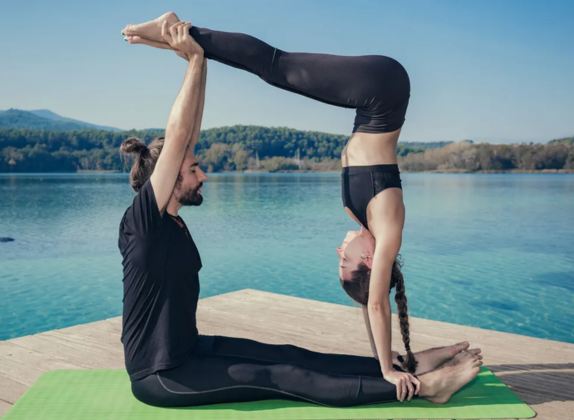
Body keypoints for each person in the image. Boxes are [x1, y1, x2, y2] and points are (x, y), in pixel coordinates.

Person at [119, 15, 483, 407]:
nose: (203, 174)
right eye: (192, 170)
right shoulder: (143, 222)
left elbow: (186, 134)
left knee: (292, 355)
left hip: (189, 351)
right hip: (163, 374)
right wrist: (192, 58)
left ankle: (405, 364)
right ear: (167, 179)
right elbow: (177, 136)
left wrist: (198, 61)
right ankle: (427, 388)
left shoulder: (168, 219)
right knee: (285, 376)